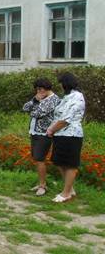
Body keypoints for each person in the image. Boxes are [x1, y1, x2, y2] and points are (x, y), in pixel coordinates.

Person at [46, 72, 85, 203]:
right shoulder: (66, 97)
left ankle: (66, 193)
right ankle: (70, 189)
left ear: (66, 83)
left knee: (70, 164)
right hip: (60, 134)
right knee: (59, 162)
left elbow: (66, 119)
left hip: (71, 135)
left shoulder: (77, 97)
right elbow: (58, 116)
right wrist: (52, 129)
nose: (60, 86)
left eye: (61, 83)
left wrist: (51, 129)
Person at [23, 78, 61, 196]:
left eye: (39, 89)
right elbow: (25, 108)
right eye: (37, 90)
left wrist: (35, 103)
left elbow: (36, 113)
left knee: (40, 159)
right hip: (34, 132)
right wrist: (35, 100)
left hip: (44, 134)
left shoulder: (53, 99)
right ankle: (41, 183)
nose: (38, 92)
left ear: (45, 88)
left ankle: (43, 186)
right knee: (37, 158)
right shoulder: (39, 98)